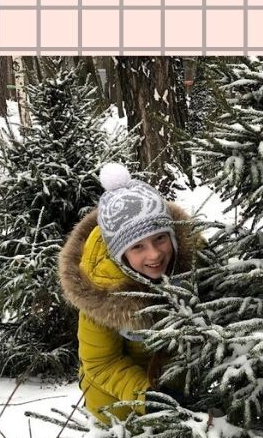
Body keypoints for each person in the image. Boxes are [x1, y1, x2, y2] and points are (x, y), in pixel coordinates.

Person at [58, 163, 198, 423]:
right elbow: (101, 363)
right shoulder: (100, 290)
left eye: (160, 238)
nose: (154, 254)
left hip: (177, 395)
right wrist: (150, 398)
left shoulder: (195, 264)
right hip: (118, 410)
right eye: (138, 247)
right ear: (119, 254)